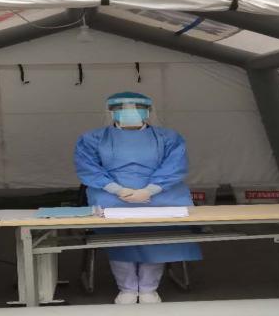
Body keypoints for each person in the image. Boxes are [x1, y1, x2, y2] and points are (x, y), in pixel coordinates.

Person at [73, 92, 201, 304]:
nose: (129, 112)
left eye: (136, 108)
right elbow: (88, 167)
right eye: (122, 108)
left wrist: (150, 190)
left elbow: (174, 165)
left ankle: (149, 288)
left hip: (161, 195)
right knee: (118, 234)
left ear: (148, 111)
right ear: (111, 112)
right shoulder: (93, 138)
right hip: (111, 196)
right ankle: (127, 288)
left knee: (158, 233)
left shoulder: (168, 138)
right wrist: (117, 190)